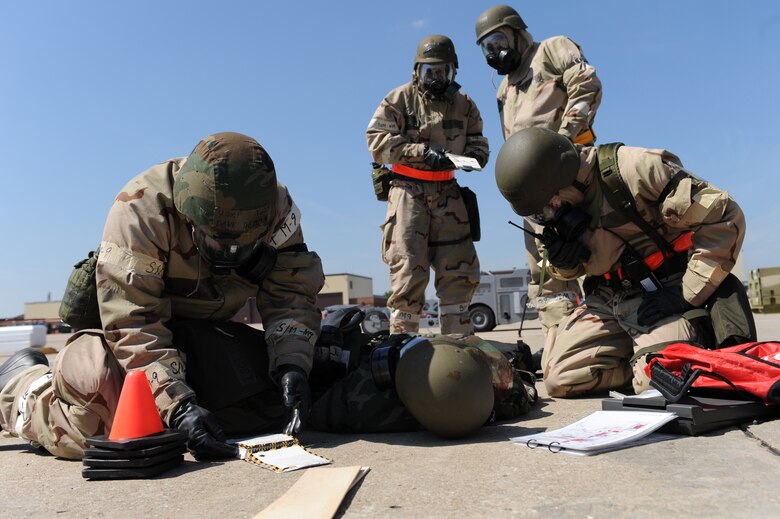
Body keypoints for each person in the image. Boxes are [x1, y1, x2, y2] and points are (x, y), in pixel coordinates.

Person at [0, 132, 325, 460]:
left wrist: (292, 365)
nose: (230, 255)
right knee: (111, 424)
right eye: (217, 243)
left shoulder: (275, 210)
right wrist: (178, 406)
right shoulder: (141, 209)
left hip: (201, 335)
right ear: (189, 215)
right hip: (122, 340)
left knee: (265, 403)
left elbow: (292, 294)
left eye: (243, 247)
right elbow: (133, 322)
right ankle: (23, 389)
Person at [494, 127, 746, 397]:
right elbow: (568, 271)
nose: (544, 217)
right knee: (559, 380)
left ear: (563, 179)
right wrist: (563, 262)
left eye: (547, 208)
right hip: (608, 301)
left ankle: (697, 336)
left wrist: (686, 295)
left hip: (663, 294)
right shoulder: (545, 202)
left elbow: (725, 217)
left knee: (658, 385)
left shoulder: (634, 169)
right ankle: (639, 358)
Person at [474, 5, 602, 355]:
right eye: (485, 47)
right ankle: (564, 348)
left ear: (517, 33)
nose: (492, 52)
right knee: (547, 277)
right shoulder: (504, 90)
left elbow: (586, 83)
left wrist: (563, 140)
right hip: (535, 196)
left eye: (497, 40)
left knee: (600, 256)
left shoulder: (552, 49)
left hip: (572, 175)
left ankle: (612, 338)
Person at [366, 34, 489, 335]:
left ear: (452, 71)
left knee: (459, 269)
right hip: (408, 193)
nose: (435, 77)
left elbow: (480, 146)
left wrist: (467, 160)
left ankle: (459, 344)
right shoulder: (398, 99)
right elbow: (377, 142)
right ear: (417, 71)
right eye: (428, 71)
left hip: (449, 192)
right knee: (407, 269)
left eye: (442, 71)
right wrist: (420, 152)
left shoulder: (465, 105)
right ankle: (404, 347)